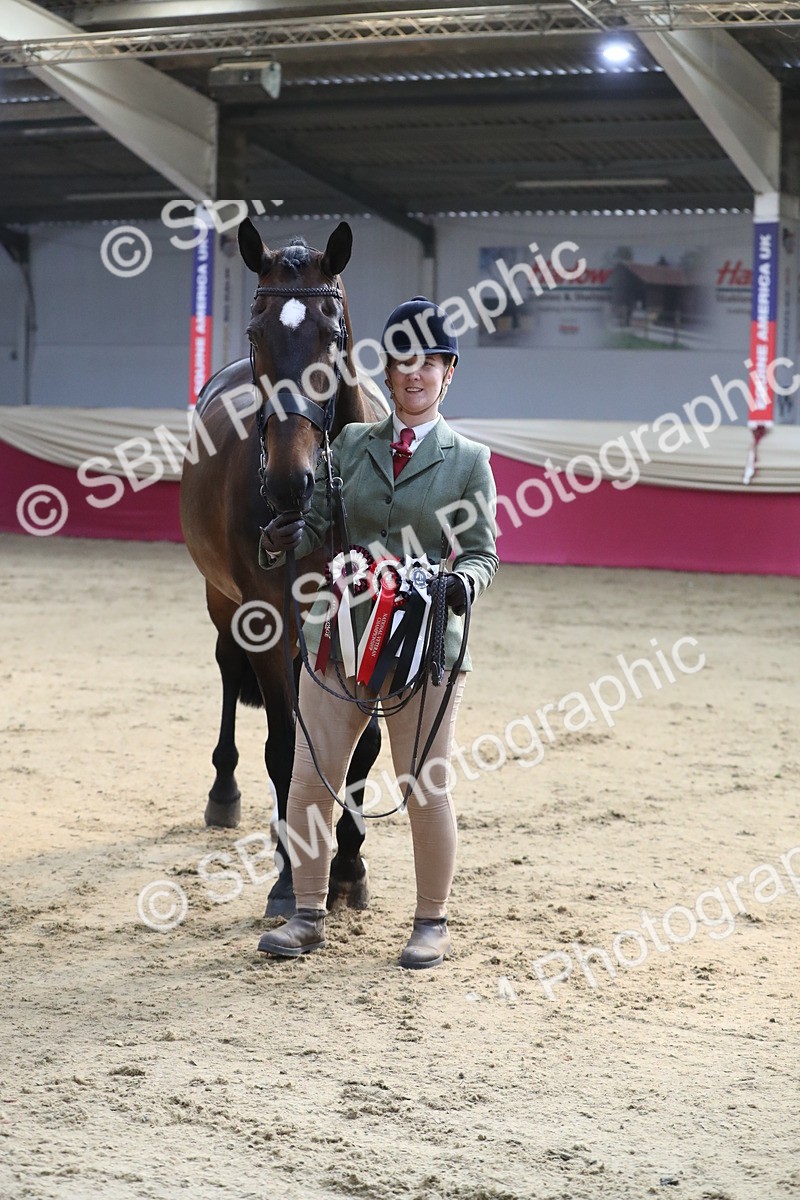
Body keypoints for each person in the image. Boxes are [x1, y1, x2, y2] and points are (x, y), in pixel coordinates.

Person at [256, 296, 499, 969]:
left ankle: (431, 921)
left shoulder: (469, 461)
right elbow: (320, 527)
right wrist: (284, 538)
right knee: (308, 779)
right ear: (387, 374)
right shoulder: (349, 445)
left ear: (448, 372)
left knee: (424, 785)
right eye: (401, 362)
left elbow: (482, 552)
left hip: (424, 643)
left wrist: (462, 586)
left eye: (428, 361)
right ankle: (306, 915)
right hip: (343, 633)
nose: (413, 373)